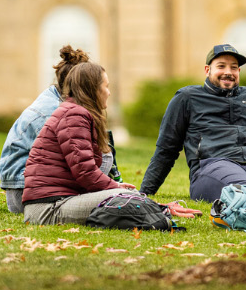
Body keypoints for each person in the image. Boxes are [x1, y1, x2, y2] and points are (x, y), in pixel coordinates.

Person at [22, 62, 198, 225]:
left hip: (59, 200)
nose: (109, 92)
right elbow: (85, 171)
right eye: (106, 86)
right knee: (123, 197)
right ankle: (161, 211)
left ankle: (158, 208)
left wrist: (116, 187)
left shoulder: (75, 112)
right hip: (48, 208)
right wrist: (114, 187)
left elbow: (84, 172)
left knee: (125, 195)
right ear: (93, 89)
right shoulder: (74, 115)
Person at [139, 44, 246, 202]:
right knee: (244, 187)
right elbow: (167, 149)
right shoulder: (187, 97)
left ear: (239, 71)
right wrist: (145, 191)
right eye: (221, 66)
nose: (228, 72)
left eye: (234, 67)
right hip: (212, 166)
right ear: (207, 70)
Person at [0, 46, 117, 214]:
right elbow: (81, 166)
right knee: (104, 155)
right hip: (27, 193)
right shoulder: (59, 111)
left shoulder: (54, 99)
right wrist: (114, 188)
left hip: (24, 189)